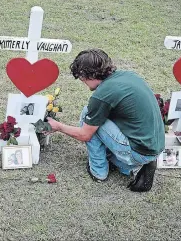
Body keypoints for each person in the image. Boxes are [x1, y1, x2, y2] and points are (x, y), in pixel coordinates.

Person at [45, 49, 165, 192]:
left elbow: (85, 134)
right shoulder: (129, 76)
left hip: (138, 150)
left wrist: (58, 126)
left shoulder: (101, 95)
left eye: (82, 78)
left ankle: (99, 171)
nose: (82, 82)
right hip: (154, 145)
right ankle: (132, 167)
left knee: (87, 114)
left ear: (86, 75)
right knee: (97, 118)